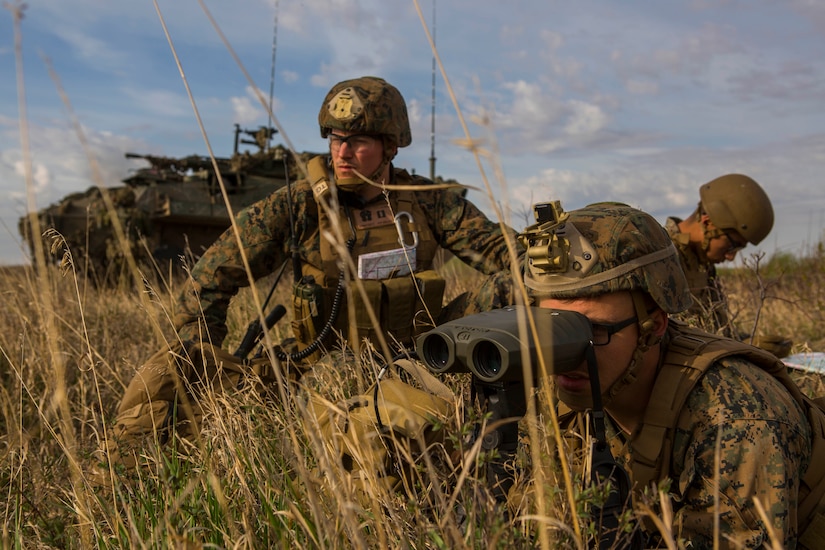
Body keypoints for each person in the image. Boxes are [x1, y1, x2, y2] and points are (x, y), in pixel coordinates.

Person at [104, 76, 521, 465]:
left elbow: (499, 251)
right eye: (336, 139)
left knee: (513, 287)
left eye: (357, 141)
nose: (341, 153)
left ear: (390, 146)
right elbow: (210, 277)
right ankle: (124, 470)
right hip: (322, 365)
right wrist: (205, 362)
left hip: (421, 353)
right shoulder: (300, 205)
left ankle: (505, 429)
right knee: (177, 360)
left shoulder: (429, 201)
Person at [519, 200, 824, 548]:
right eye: (551, 329)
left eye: (594, 331)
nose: (566, 354)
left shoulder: (735, 420)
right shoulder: (563, 388)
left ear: (654, 326)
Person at [664, 173, 774, 336]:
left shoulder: (703, 265)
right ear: (708, 222)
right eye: (732, 245)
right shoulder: (661, 258)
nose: (730, 257)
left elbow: (719, 331)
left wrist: (755, 346)